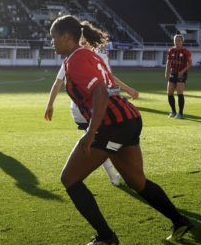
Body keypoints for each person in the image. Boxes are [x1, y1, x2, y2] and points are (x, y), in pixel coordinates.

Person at [50, 15, 192, 245]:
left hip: (111, 125)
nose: (52, 43)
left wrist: (90, 132)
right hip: (128, 119)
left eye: (54, 38)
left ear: (66, 37)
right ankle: (180, 222)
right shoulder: (86, 56)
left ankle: (105, 236)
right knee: (137, 181)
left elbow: (101, 95)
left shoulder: (77, 59)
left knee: (69, 179)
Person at [45, 36, 140, 187]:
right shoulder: (87, 57)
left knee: (99, 142)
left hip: (84, 109)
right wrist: (128, 89)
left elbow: (58, 83)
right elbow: (108, 80)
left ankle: (117, 176)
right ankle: (121, 176)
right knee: (100, 142)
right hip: (93, 109)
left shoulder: (80, 57)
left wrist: (50, 105)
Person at [165, 34, 192, 119]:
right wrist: (167, 71)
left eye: (179, 40)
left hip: (182, 74)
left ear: (182, 41)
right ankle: (173, 111)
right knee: (169, 92)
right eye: (176, 40)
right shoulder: (171, 50)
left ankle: (180, 113)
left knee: (179, 93)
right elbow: (168, 62)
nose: (177, 42)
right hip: (173, 73)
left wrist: (183, 71)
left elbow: (190, 64)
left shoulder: (186, 51)